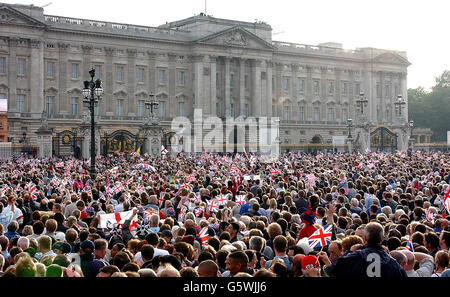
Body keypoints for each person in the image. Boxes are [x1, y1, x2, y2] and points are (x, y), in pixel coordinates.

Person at [327, 222, 407, 277]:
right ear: (382, 239)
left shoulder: (354, 257)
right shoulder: (393, 264)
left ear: (364, 238)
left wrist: (350, 252)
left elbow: (333, 268)